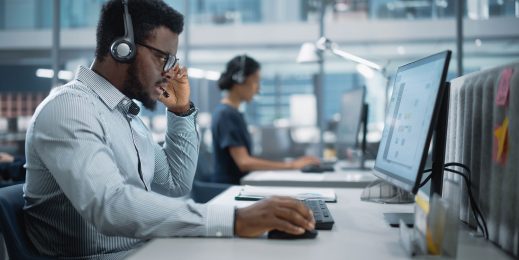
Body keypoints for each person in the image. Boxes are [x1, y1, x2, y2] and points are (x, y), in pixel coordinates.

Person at [23, 1, 314, 259]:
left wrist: (181, 111)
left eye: (172, 61)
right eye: (163, 57)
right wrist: (234, 219)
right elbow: (109, 205)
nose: (169, 72)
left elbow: (176, 182)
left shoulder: (128, 117)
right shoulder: (70, 109)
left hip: (144, 249)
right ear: (122, 49)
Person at [211, 55, 320, 184]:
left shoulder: (232, 113)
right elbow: (244, 162)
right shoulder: (226, 114)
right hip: (229, 188)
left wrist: (289, 163)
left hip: (241, 183)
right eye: (255, 81)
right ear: (239, 81)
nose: (258, 89)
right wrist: (292, 165)